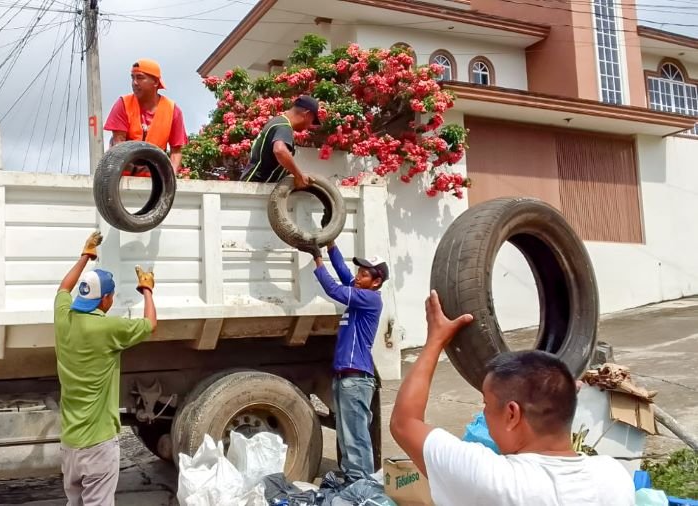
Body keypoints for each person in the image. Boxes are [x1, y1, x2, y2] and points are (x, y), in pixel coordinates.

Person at [389, 291, 635, 506]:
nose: (483, 413)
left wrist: (436, 340)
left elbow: (404, 422)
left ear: (512, 414)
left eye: (486, 404)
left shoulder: (490, 480)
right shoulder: (614, 477)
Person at [54, 231, 158, 506]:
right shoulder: (108, 328)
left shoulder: (63, 318)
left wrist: (85, 257)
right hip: (98, 445)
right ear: (105, 300)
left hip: (70, 444)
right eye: (110, 297)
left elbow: (63, 289)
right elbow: (150, 325)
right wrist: (147, 289)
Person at [300, 241, 389, 482]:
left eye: (364, 274)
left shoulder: (369, 299)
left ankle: (363, 485)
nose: (358, 277)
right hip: (345, 378)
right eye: (358, 273)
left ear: (376, 281)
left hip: (356, 379)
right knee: (346, 434)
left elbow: (334, 289)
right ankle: (354, 482)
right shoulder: (361, 293)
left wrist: (317, 260)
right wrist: (331, 245)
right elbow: (342, 273)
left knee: (356, 436)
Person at [104, 58, 188, 176]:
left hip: (154, 173)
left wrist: (171, 177)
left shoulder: (172, 110)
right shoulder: (123, 103)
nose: (135, 82)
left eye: (140, 77)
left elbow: (176, 151)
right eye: (132, 77)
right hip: (124, 172)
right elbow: (119, 143)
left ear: (155, 82)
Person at [239, 95, 320, 189]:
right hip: (254, 187)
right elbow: (279, 150)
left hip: (253, 184)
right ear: (307, 114)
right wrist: (298, 175)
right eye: (312, 121)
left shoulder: (278, 121)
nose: (310, 125)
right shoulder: (284, 126)